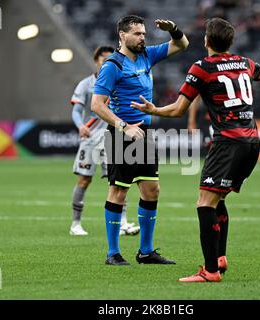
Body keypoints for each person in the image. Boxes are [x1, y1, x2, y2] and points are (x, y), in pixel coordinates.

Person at [132, 17, 260, 281]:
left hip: (228, 143)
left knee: (204, 203)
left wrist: (154, 110)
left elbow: (178, 108)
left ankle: (210, 270)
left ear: (207, 41)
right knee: (219, 198)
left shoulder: (202, 67)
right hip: (252, 142)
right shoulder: (244, 63)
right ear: (231, 42)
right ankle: (220, 257)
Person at [91, 15, 189, 265]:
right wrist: (124, 127)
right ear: (123, 36)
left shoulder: (147, 55)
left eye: (144, 33)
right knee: (118, 191)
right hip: (121, 135)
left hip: (144, 134)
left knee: (151, 189)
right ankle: (112, 253)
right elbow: (97, 105)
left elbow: (182, 45)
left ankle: (145, 252)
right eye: (137, 34)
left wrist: (174, 29)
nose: (143, 38)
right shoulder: (112, 65)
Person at [69, 45, 140, 236]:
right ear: (96, 61)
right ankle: (75, 224)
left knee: (118, 181)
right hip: (91, 138)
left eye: (110, 59)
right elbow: (76, 111)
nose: (107, 62)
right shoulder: (86, 84)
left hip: (112, 136)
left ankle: (123, 222)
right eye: (103, 59)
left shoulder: (118, 82)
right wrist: (80, 125)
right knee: (84, 180)